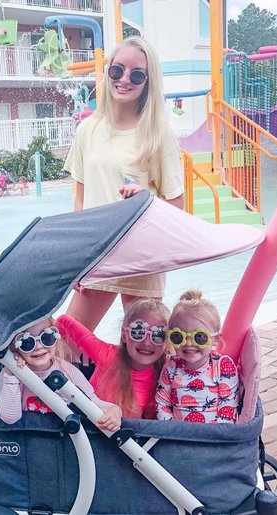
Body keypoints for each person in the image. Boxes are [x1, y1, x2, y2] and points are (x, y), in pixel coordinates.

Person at [63, 36, 184, 332]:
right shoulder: (88, 129)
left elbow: (176, 205)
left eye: (137, 74)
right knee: (67, 342)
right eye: (117, 70)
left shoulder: (158, 134)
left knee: (146, 347)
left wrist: (146, 200)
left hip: (141, 257)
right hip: (98, 253)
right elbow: (80, 200)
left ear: (148, 81)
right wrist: (77, 256)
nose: (124, 79)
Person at [0, 317, 122, 431]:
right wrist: (11, 369)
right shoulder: (11, 375)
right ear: (14, 346)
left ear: (56, 337)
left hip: (64, 441)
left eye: (46, 337)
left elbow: (93, 402)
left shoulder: (68, 371)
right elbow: (9, 418)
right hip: (30, 441)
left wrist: (115, 411)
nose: (39, 347)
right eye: (26, 342)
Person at [57, 298, 170, 419]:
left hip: (137, 430)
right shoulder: (107, 355)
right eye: (138, 331)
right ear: (124, 335)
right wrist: (53, 349)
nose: (147, 343)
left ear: (167, 340)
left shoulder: (169, 369)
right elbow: (64, 320)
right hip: (94, 426)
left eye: (158, 335)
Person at [155, 290, 239, 424]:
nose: (188, 343)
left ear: (216, 339)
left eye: (199, 337)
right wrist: (171, 431)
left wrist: (217, 434)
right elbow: (162, 402)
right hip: (178, 432)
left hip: (214, 434)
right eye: (179, 336)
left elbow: (228, 405)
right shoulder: (171, 365)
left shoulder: (222, 366)